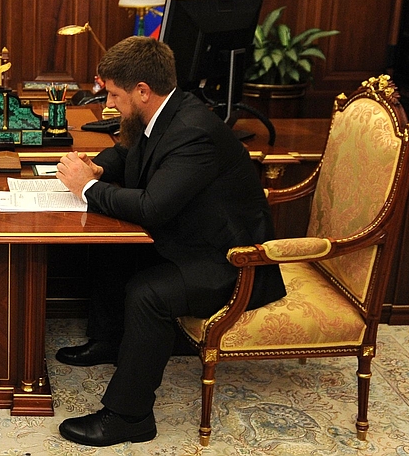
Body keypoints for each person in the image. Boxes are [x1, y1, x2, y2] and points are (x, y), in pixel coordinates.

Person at [53, 36, 286, 447]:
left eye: (115, 95)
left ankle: (130, 416)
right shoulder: (166, 112)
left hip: (232, 261)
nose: (110, 104)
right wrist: (98, 168)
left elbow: (152, 207)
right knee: (110, 250)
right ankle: (111, 342)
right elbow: (129, 153)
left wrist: (86, 188)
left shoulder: (192, 132)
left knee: (149, 293)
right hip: (192, 239)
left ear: (143, 91)